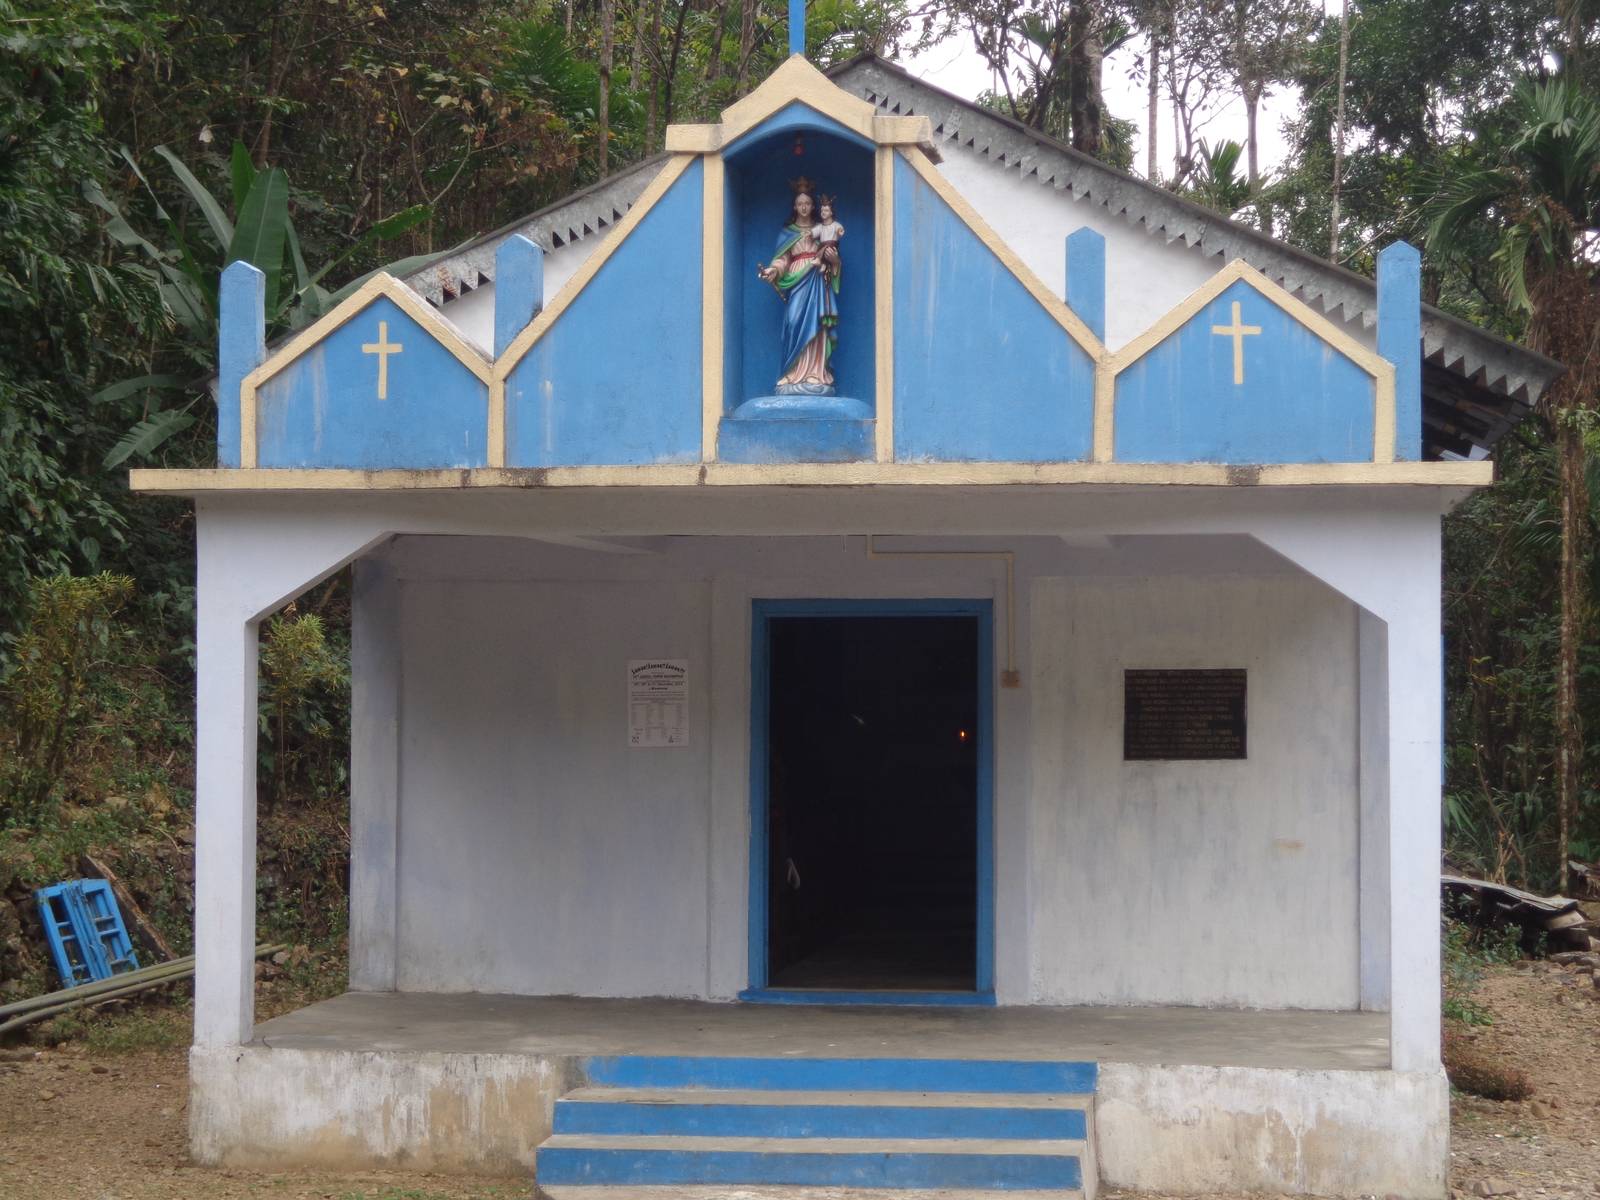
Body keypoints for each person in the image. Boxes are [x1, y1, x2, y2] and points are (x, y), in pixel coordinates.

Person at [757, 181, 841, 395]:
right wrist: (772, 272)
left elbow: (832, 252)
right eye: (799, 203)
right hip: (796, 280)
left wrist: (835, 261)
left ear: (813, 206)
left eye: (807, 203)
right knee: (794, 321)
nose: (804, 207)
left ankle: (816, 372)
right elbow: (782, 260)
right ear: (795, 207)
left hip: (817, 279)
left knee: (817, 324)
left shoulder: (820, 230)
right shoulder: (788, 232)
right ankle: (793, 373)